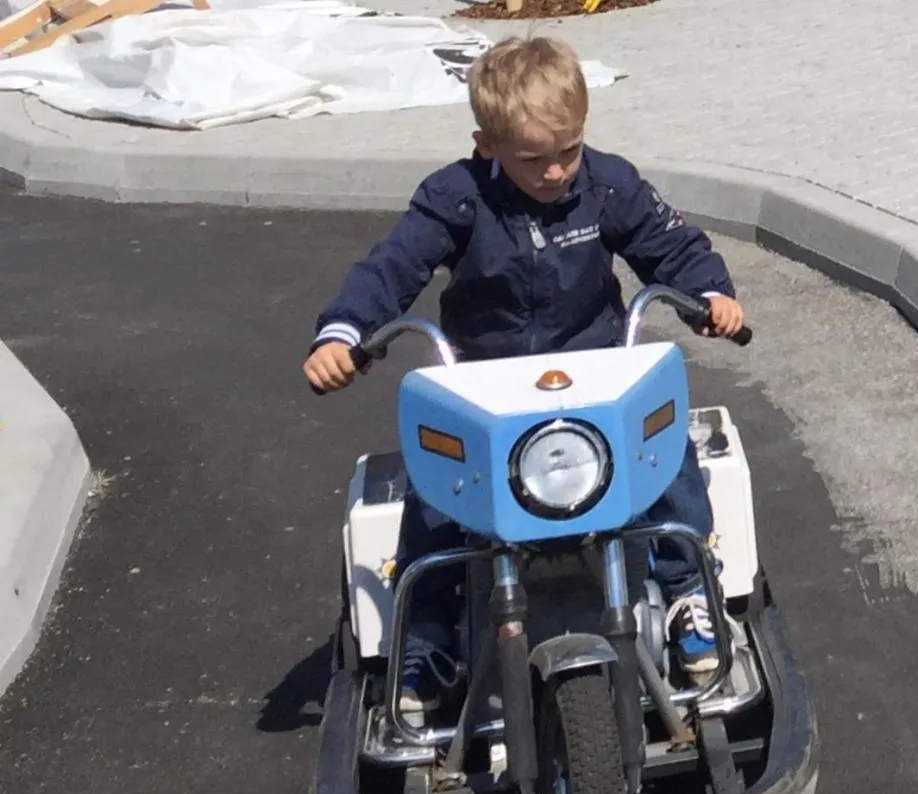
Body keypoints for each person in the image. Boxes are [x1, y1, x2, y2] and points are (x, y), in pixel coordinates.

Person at [303, 35, 746, 722]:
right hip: (487, 388)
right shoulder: (454, 198)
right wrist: (346, 332)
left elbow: (670, 245)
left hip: (595, 369)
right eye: (534, 158)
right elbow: (392, 266)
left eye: (568, 150)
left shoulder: (609, 184)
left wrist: (710, 292)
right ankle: (430, 631)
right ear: (488, 144)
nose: (556, 172)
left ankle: (689, 586)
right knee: (435, 491)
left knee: (666, 453)